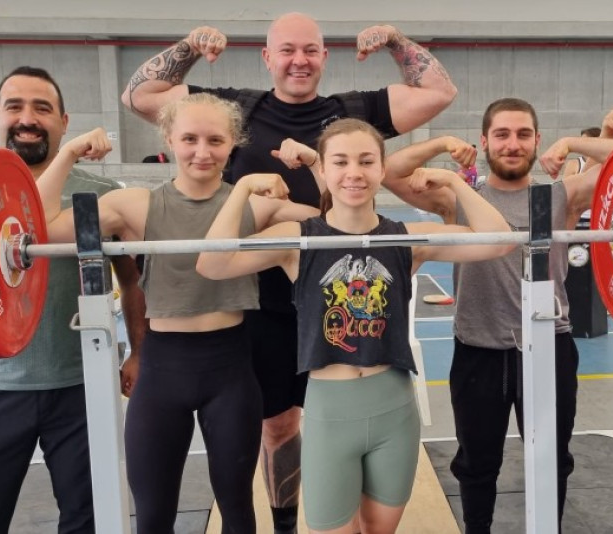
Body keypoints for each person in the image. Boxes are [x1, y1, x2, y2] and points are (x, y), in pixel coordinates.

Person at [121, 13, 457, 531]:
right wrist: (189, 44)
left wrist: (394, 40)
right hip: (265, 297)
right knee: (277, 426)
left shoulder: (352, 110)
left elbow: (438, 91)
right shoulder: (239, 109)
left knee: (354, 407)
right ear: (267, 58)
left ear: (325, 56)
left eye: (310, 50)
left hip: (342, 293)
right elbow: (141, 96)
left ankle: (356, 504)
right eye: (287, 50)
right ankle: (285, 521)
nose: (299, 60)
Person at [196, 118, 513, 534]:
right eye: (341, 161)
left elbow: (501, 240)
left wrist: (457, 186)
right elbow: (212, 264)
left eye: (366, 161)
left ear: (381, 169)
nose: (354, 173)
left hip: (394, 410)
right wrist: (238, 190)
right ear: (323, 170)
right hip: (331, 411)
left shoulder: (405, 238)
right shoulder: (299, 239)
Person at [36, 92, 320, 534]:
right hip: (162, 372)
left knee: (238, 512)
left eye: (215, 140)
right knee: (153, 517)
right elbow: (42, 228)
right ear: (169, 138)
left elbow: (337, 225)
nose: (202, 152)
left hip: (230, 371)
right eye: (189, 138)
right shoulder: (137, 205)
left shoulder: (256, 206)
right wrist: (69, 152)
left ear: (233, 145)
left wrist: (317, 164)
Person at [0, 66, 146, 533]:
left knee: (91, 521)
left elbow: (133, 282)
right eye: (14, 107)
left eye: (42, 108)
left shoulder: (100, 195)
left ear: (64, 120)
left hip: (81, 387)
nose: (27, 118)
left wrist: (140, 351)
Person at [380, 98, 613, 533]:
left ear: (538, 141)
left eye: (523, 134)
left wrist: (575, 142)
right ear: (484, 142)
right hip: (478, 350)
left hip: (548, 348)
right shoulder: (462, 199)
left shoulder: (562, 194)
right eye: (502, 135)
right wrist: (440, 144)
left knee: (551, 459)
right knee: (476, 463)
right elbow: (389, 172)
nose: (512, 144)